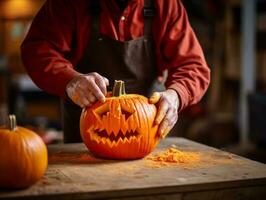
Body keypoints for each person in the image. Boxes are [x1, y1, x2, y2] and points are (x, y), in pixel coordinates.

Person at [21, 0, 210, 143]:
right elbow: (37, 50)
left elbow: (193, 65)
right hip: (85, 139)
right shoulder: (69, 3)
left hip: (147, 135)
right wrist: (71, 81)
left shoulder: (165, 4)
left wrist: (176, 95)